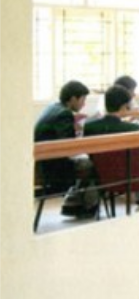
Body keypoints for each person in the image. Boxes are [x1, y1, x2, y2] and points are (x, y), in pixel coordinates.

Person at [35, 80, 96, 216]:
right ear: (73, 98)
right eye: (83, 99)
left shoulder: (52, 107)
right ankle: (84, 206)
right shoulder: (64, 114)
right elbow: (69, 145)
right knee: (93, 164)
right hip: (55, 165)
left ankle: (73, 203)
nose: (84, 104)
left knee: (87, 162)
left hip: (44, 161)